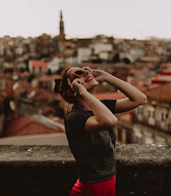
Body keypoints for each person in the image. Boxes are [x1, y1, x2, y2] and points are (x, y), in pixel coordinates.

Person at [54, 66, 147, 196]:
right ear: (72, 89)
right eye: (78, 74)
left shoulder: (101, 107)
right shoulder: (74, 118)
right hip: (91, 188)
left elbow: (140, 99)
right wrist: (82, 92)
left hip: (109, 183)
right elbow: (110, 121)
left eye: (86, 69)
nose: (86, 72)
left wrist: (106, 77)